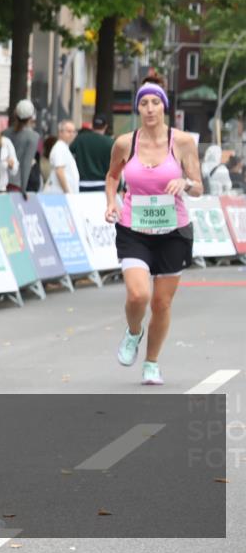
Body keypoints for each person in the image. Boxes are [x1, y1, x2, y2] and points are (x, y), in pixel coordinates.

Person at [105, 77, 203, 385]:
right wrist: (112, 202)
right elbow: (111, 176)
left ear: (165, 107)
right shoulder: (125, 143)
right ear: (138, 108)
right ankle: (134, 332)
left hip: (174, 230)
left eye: (155, 102)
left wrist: (185, 183)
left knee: (161, 303)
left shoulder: (183, 142)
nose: (149, 109)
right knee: (138, 295)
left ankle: (151, 362)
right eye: (144, 103)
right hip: (134, 228)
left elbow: (198, 186)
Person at [4, 99, 41, 191]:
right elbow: (26, 163)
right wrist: (24, 189)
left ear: (15, 114)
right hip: (17, 184)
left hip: (1, 182)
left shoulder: (5, 133)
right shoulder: (33, 136)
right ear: (32, 116)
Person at [72, 115, 114, 192]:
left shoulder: (80, 139)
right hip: (102, 185)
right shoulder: (110, 142)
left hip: (81, 184)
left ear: (92, 125)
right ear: (105, 126)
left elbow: (69, 154)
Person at [43, 120, 80, 194]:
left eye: (74, 132)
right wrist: (67, 191)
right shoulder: (59, 148)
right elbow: (59, 171)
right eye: (69, 131)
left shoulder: (64, 147)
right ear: (60, 132)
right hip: (60, 194)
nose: (72, 134)